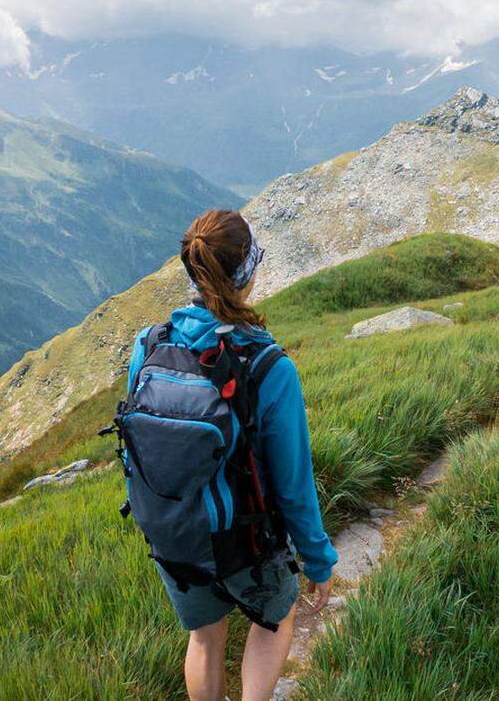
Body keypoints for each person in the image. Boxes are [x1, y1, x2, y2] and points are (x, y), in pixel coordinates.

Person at [154, 209, 337, 701]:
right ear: (248, 275)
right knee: (276, 619)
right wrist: (318, 562)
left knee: (205, 639)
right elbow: (294, 486)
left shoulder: (149, 347)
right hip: (245, 539)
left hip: (177, 537)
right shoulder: (270, 366)